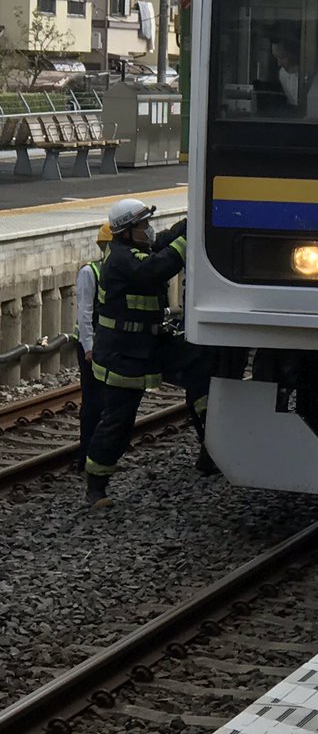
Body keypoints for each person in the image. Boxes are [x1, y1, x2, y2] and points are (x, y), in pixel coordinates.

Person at [84, 198, 212, 507]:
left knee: (200, 359)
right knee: (119, 421)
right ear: (127, 232)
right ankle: (96, 487)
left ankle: (210, 432)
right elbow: (159, 266)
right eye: (143, 225)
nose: (148, 230)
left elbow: (165, 240)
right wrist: (190, 240)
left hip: (150, 345)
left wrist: (195, 219)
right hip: (123, 354)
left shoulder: (137, 248)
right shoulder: (121, 259)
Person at [74, 222, 112, 471]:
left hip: (110, 344)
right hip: (94, 346)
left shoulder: (121, 271)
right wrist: (89, 347)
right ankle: (86, 456)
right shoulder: (91, 272)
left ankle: (101, 452)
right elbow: (84, 313)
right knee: (93, 402)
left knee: (110, 401)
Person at [271, 37, 301, 106]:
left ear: (293, 54)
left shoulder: (308, 71)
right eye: (276, 58)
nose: (279, 63)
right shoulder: (282, 73)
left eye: (282, 57)